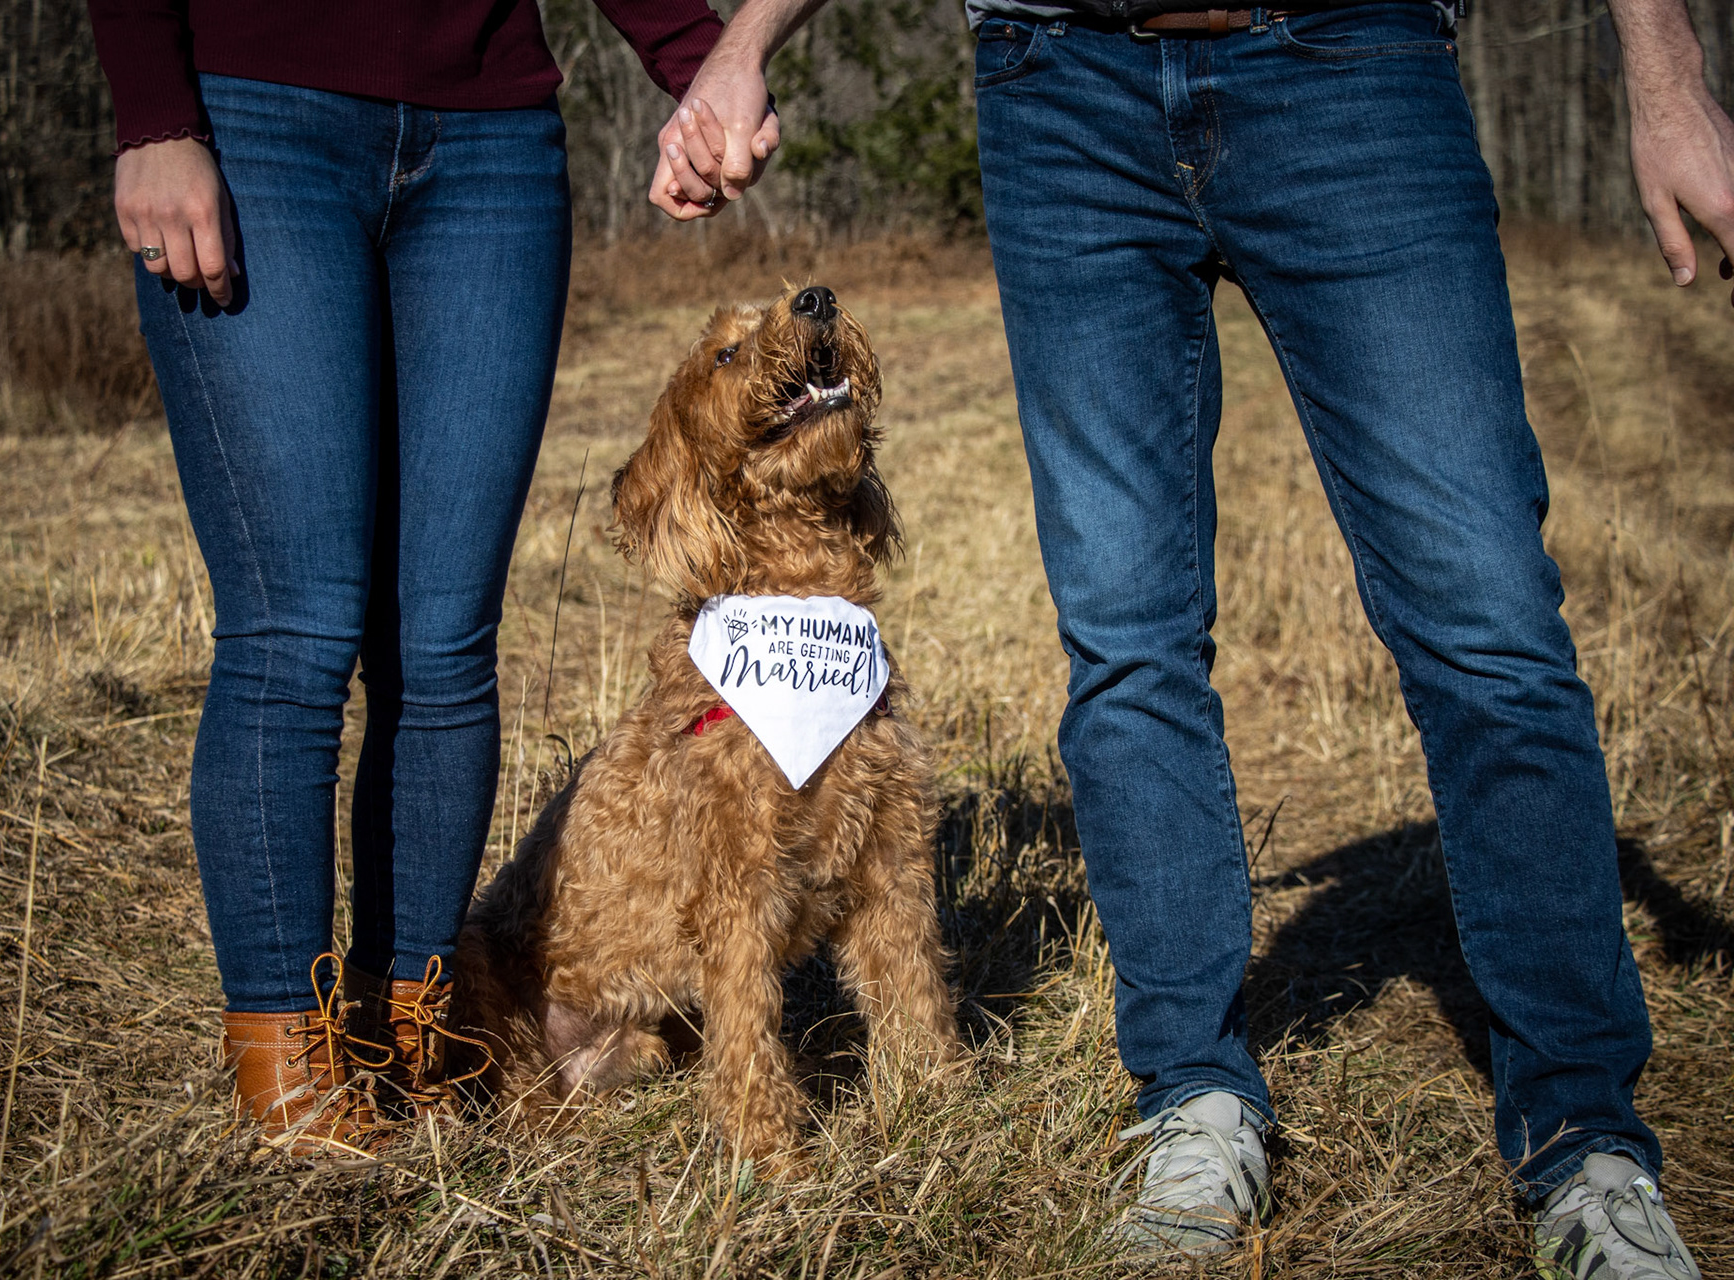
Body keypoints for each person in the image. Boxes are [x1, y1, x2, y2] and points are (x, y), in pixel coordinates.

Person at [650, 0, 1733, 1273]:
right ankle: (1193, 1097)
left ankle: (1583, 1136)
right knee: (1127, 643)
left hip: (1351, 54)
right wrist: (743, 45)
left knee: (1486, 617)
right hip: (1059, 77)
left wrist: (1667, 76)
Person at [84, 0, 723, 1154]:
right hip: (255, 114)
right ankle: (285, 1071)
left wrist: (696, 58)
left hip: (491, 139)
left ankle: (402, 1041)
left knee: (443, 645)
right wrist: (154, 112)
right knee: (295, 631)